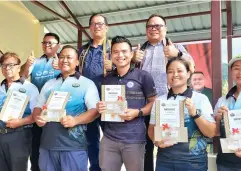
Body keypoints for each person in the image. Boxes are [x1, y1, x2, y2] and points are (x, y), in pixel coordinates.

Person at [131, 14, 195, 171]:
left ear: (165, 29)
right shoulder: (138, 51)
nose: (154, 28)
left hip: (169, 104)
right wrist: (132, 60)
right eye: (150, 26)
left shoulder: (176, 47)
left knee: (170, 144)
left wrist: (177, 55)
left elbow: (192, 67)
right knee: (144, 146)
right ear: (146, 30)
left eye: (158, 26)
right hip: (144, 104)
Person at [33, 45, 100, 171]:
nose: (64, 60)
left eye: (69, 57)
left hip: (74, 146)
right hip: (47, 144)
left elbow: (94, 111)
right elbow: (38, 107)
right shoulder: (49, 84)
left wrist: (75, 120)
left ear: (77, 62)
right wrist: (38, 118)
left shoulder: (87, 83)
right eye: (62, 57)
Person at [96, 36, 157, 171]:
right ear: (111, 55)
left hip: (134, 139)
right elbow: (103, 104)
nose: (120, 55)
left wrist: (138, 112)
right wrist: (100, 107)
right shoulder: (107, 79)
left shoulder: (143, 76)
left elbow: (154, 103)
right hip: (109, 138)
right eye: (116, 52)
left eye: (124, 51)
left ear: (131, 54)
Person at [148, 57, 216, 171]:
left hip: (193, 160)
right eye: (170, 71)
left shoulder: (200, 99)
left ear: (188, 73)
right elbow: (151, 129)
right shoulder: (160, 101)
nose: (175, 75)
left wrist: (195, 113)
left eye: (179, 71)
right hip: (165, 160)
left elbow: (211, 132)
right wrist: (156, 141)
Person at [0, 52, 39, 171]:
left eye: (11, 65)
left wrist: (20, 122)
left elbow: (37, 114)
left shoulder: (30, 88)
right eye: (3, 65)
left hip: (19, 135)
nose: (7, 68)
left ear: (19, 67)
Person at [20, 32, 61, 171]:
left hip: (57, 113)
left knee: (56, 148)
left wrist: (61, 65)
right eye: (44, 43)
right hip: (37, 112)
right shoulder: (35, 61)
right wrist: (27, 64)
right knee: (36, 148)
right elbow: (22, 78)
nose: (47, 45)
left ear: (58, 45)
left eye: (50, 43)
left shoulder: (63, 61)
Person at [78, 14, 112, 171]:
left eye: (100, 24)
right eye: (93, 24)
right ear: (90, 28)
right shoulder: (83, 51)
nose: (97, 26)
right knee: (91, 138)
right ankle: (95, 168)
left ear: (106, 27)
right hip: (88, 102)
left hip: (109, 101)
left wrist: (114, 66)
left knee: (111, 138)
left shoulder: (115, 48)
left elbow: (128, 70)